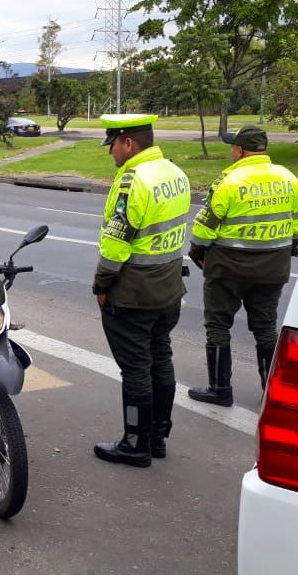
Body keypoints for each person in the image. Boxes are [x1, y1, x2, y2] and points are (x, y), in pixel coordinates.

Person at [92, 114, 190, 468]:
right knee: (160, 358)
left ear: (129, 143)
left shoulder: (132, 181)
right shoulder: (174, 172)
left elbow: (116, 243)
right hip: (169, 286)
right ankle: (158, 436)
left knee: (135, 368)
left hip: (134, 291)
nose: (111, 153)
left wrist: (102, 284)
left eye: (113, 145)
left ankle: (136, 443)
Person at [187, 126, 298, 405]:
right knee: (266, 328)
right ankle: (271, 389)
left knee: (218, 325)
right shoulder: (289, 179)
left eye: (233, 148)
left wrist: (197, 251)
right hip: (272, 269)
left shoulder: (229, 181)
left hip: (228, 269)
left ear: (239, 150)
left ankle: (220, 390)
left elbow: (204, 228)